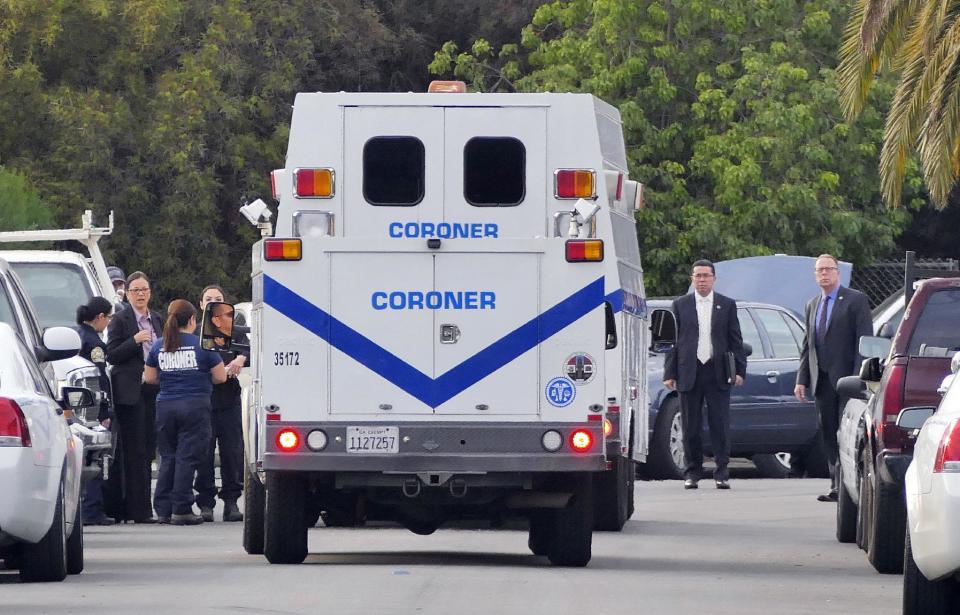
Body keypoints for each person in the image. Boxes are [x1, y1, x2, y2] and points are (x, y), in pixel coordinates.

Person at [794, 254, 872, 502]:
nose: (824, 274)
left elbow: (864, 341)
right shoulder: (812, 304)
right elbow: (808, 346)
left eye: (828, 269)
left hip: (847, 380)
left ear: (837, 272)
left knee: (845, 431)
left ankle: (848, 485)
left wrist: (862, 377)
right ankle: (835, 483)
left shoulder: (855, 300)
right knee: (827, 431)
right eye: (820, 270)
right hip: (822, 380)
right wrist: (801, 378)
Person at [664, 259, 746, 490]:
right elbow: (673, 342)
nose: (702, 280)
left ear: (714, 278)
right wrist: (669, 372)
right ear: (692, 279)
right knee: (690, 425)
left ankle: (721, 471)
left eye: (706, 276)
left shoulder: (726, 305)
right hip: (689, 371)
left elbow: (735, 339)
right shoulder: (681, 304)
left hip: (717, 370)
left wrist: (739, 370)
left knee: (719, 423)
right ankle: (692, 472)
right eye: (697, 276)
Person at [144, 300, 226, 525]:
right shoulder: (203, 345)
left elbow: (149, 378)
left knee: (168, 457)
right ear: (192, 319)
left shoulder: (158, 345)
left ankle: (162, 509)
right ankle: (181, 508)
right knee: (187, 458)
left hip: (165, 406)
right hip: (195, 406)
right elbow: (220, 377)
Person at [105, 271, 163, 523]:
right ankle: (136, 510)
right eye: (135, 290)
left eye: (144, 290)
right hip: (131, 391)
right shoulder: (120, 320)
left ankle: (144, 507)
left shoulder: (158, 319)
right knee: (134, 451)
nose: (140, 295)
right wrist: (134, 340)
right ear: (127, 294)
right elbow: (112, 355)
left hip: (156, 388)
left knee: (149, 448)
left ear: (150, 292)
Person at [193, 285, 246, 522]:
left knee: (232, 452)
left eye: (218, 299)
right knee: (203, 454)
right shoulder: (193, 332)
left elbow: (251, 350)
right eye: (209, 299)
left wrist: (241, 358)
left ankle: (232, 501)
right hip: (204, 400)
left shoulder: (235, 331)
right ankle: (205, 502)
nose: (214, 302)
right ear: (201, 304)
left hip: (229, 400)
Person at [76, 296, 116, 526]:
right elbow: (99, 379)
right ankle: (92, 509)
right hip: (93, 409)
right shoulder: (95, 344)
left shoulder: (77, 335)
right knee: (96, 457)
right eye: (108, 317)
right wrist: (105, 411)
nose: (108, 322)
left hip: (77, 406)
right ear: (100, 317)